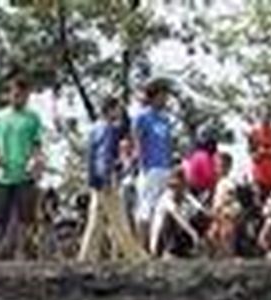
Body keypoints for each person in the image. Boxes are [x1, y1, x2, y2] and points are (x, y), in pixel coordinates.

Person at [78, 96, 144, 262]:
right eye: (117, 109)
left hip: (96, 179)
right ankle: (135, 256)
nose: (119, 112)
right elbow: (105, 156)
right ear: (111, 109)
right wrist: (107, 178)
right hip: (107, 178)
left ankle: (86, 256)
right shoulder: (109, 129)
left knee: (95, 222)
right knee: (119, 220)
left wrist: (93, 179)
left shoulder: (94, 129)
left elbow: (91, 157)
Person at [0, 76, 44, 260]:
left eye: (24, 95)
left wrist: (35, 161)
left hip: (25, 175)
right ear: (10, 94)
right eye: (16, 94)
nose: (19, 97)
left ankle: (23, 252)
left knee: (25, 217)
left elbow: (37, 144)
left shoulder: (33, 118)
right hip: (2, 175)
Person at [132, 78, 176, 237]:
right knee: (145, 209)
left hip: (164, 168)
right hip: (149, 168)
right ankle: (141, 249)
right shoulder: (142, 117)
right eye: (163, 95)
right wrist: (142, 166)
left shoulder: (165, 119)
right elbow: (137, 142)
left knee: (161, 210)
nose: (165, 99)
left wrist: (170, 167)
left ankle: (155, 247)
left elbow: (168, 144)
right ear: (154, 96)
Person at [149, 170, 204, 258]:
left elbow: (200, 208)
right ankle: (169, 251)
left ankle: (187, 248)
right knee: (169, 217)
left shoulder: (185, 195)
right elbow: (178, 217)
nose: (174, 189)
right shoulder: (166, 199)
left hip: (180, 233)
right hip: (160, 240)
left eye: (177, 186)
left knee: (198, 216)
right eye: (172, 187)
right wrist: (193, 234)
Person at [208, 151, 242, 257]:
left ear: (228, 167)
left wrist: (220, 208)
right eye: (216, 166)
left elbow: (230, 196)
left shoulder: (228, 182)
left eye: (221, 166)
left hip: (226, 213)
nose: (218, 169)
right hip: (220, 213)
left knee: (226, 236)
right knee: (212, 236)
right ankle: (220, 256)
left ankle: (229, 256)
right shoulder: (219, 182)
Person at [182, 131, 219, 200]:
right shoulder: (205, 155)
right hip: (200, 188)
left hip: (191, 187)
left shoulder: (192, 154)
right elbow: (210, 175)